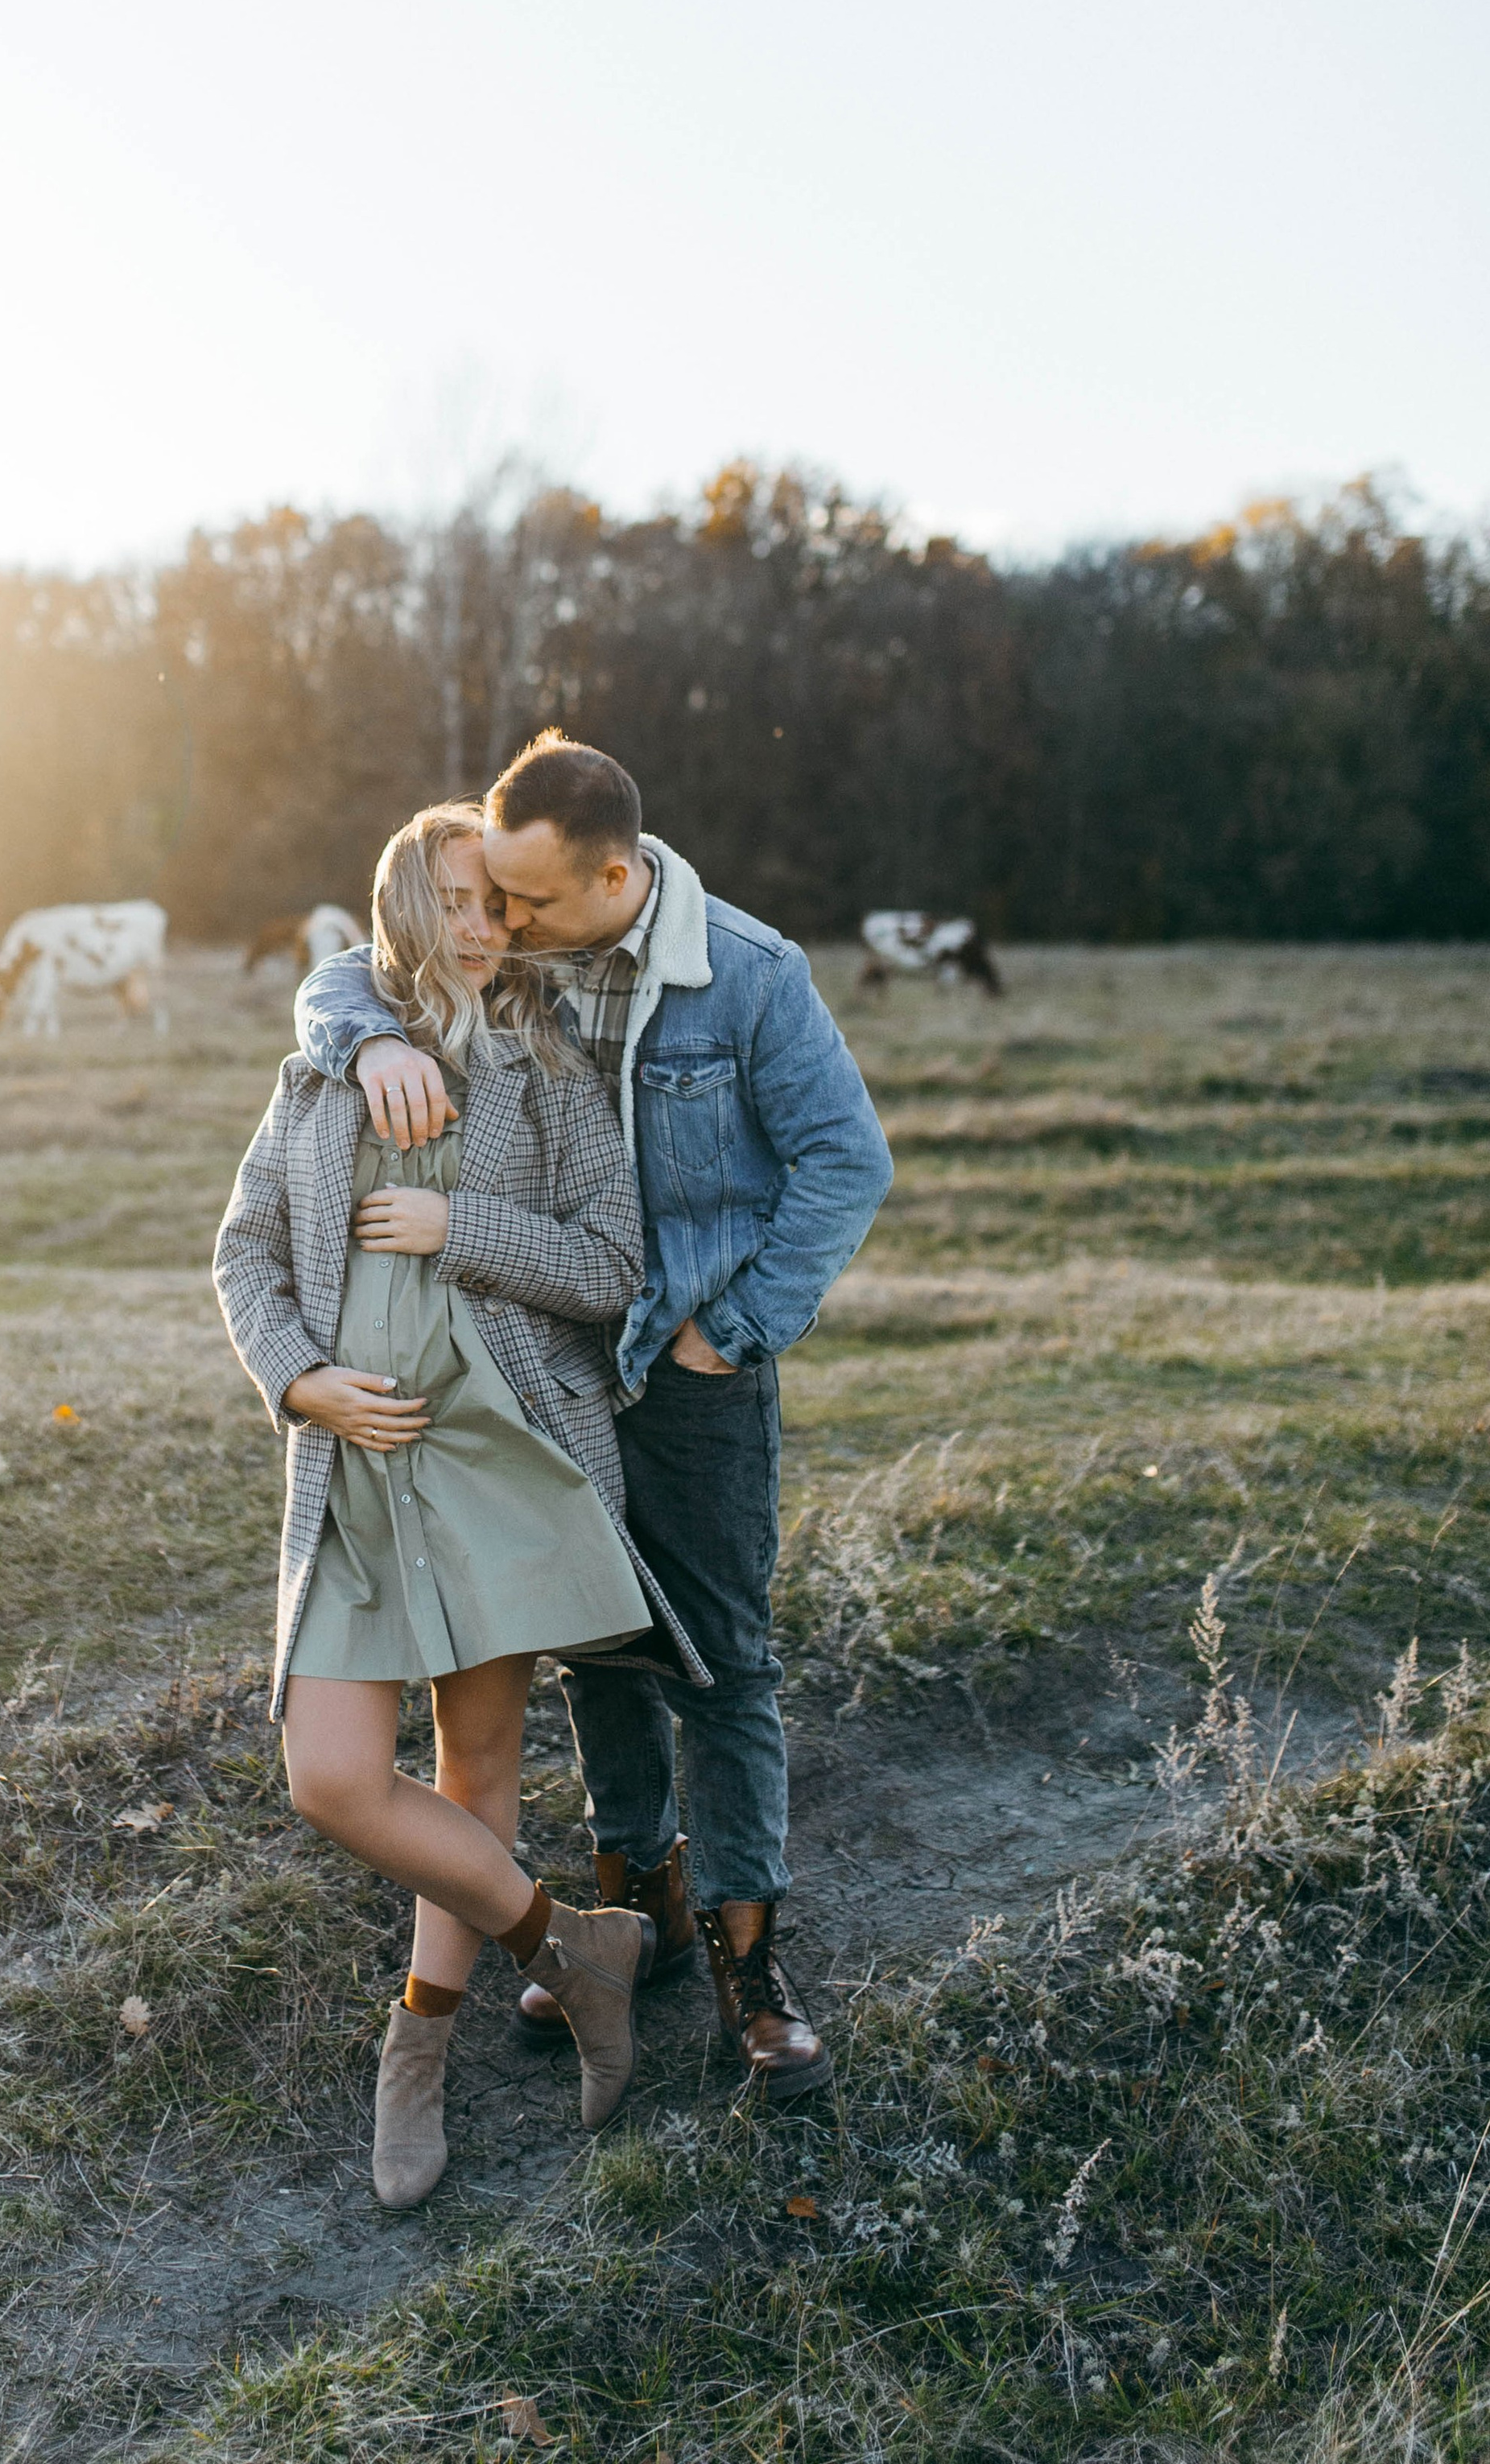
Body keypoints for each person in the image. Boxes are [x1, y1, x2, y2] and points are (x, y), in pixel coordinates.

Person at [296, 734, 894, 2100]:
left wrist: (722, 1333)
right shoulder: (533, 938)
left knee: (722, 1662)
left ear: (615, 875)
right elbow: (355, 965)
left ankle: (755, 1964)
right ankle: (646, 1901)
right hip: (553, 1368)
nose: (502, 924)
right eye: (489, 897)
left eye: (527, 903)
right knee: (598, 1650)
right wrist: (373, 1031)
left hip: (688, 1374)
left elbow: (845, 1164)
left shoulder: (746, 976)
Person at [214, 799, 704, 2208]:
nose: (484, 929)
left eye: (500, 904)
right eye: (455, 902)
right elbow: (245, 1254)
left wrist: (459, 1227)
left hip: (493, 1451)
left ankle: (418, 2053)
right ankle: (575, 1945)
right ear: (401, 910)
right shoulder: (323, 1070)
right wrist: (304, 1382)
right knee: (333, 1778)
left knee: (476, 1764)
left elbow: (612, 1263)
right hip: (357, 1462)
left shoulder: (548, 1066)